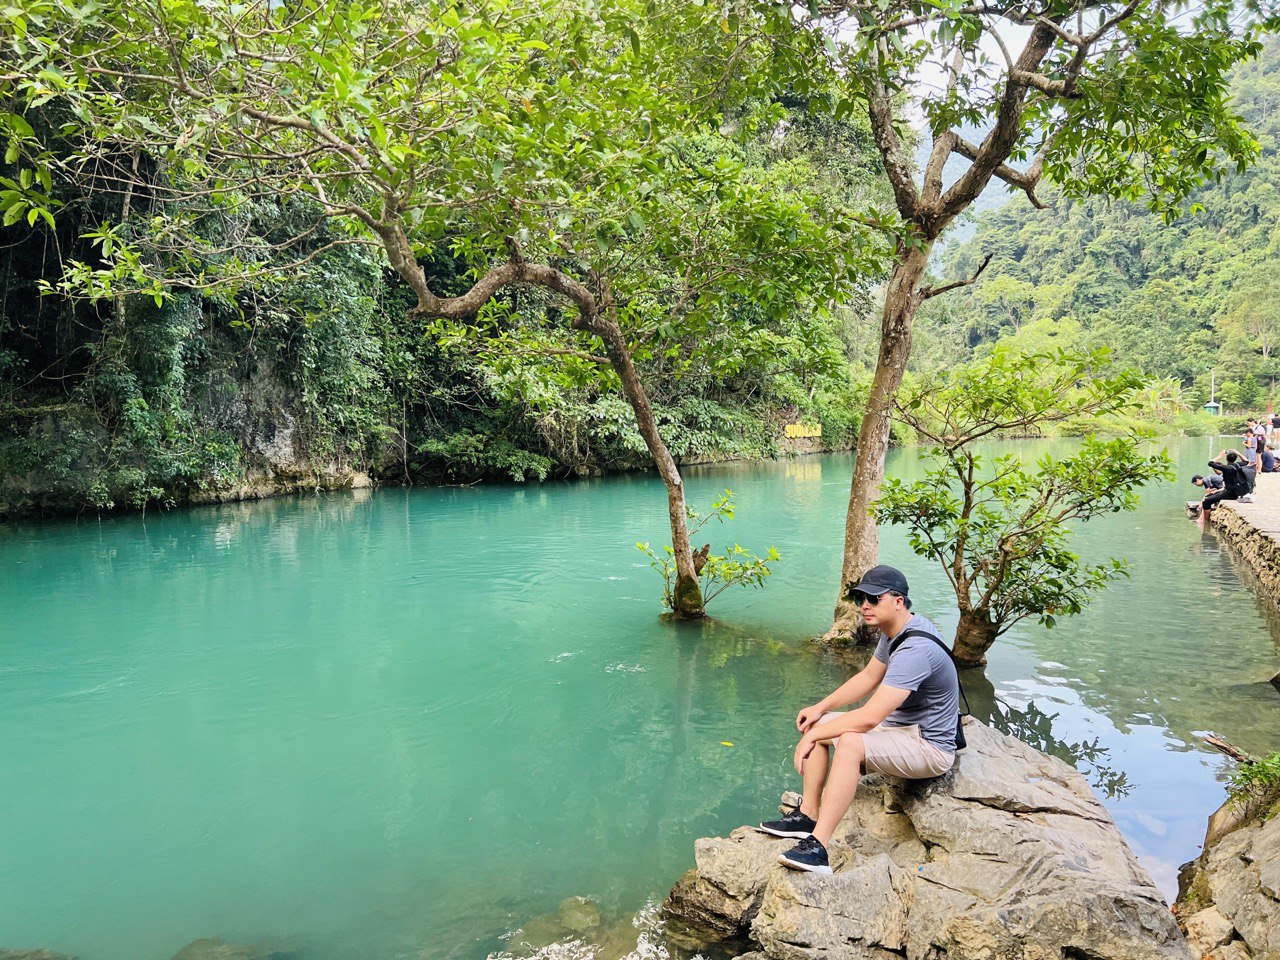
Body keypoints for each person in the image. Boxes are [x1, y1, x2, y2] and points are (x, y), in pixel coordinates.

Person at [757, 565, 960, 875]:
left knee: (850, 742)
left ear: (898, 600)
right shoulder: (895, 631)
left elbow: (868, 718)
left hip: (928, 745)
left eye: (874, 598)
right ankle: (808, 815)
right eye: (862, 597)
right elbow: (868, 676)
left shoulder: (915, 649)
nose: (865, 605)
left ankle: (819, 848)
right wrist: (820, 708)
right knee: (817, 723)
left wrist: (812, 738)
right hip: (898, 729)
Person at [1203, 451, 1248, 515]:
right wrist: (1237, 453)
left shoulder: (1226, 468)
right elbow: (1246, 461)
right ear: (1235, 458)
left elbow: (1210, 463)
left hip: (1229, 493)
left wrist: (1220, 455)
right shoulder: (1238, 465)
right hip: (1238, 491)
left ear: (1226, 459)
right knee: (1209, 496)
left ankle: (1205, 521)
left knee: (1206, 501)